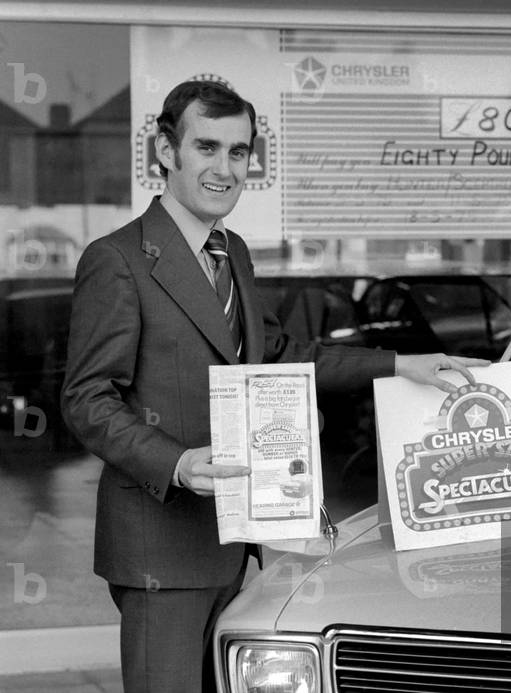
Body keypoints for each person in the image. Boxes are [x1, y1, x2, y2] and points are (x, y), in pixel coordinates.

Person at [60, 80, 487, 693]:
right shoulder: (118, 259)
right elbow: (87, 397)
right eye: (206, 147)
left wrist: (399, 365)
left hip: (237, 539)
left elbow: (279, 355)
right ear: (164, 151)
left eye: (238, 152)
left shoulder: (231, 252)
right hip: (162, 547)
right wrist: (175, 462)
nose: (224, 168)